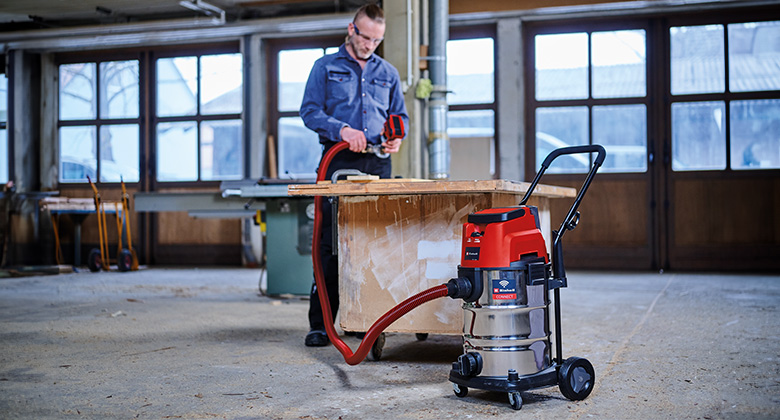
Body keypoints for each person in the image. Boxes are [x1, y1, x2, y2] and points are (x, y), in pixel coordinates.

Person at [299, 3, 409, 347]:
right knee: (332, 243)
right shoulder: (325, 67)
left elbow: (400, 116)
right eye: (366, 38)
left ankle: (366, 321)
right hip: (338, 162)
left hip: (377, 164)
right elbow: (309, 111)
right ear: (352, 29)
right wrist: (342, 129)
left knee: (375, 242)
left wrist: (396, 138)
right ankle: (320, 324)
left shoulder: (388, 73)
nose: (370, 46)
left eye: (377, 41)